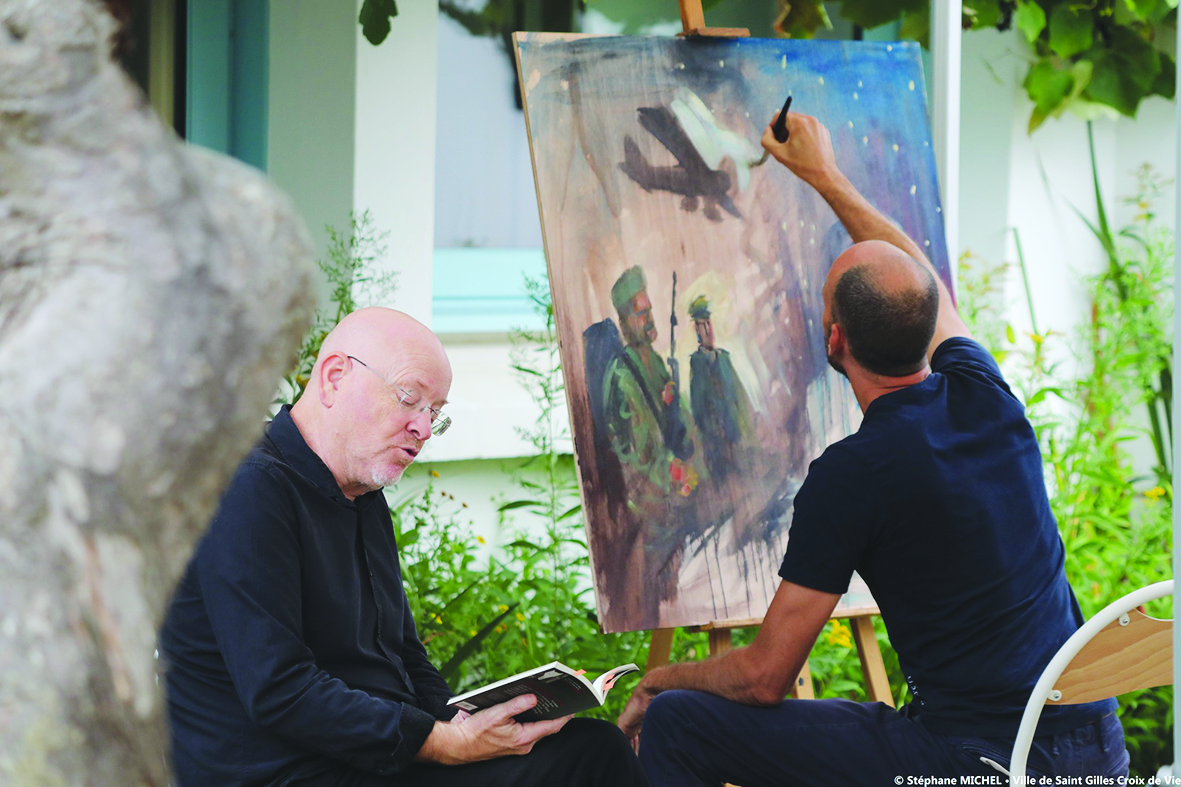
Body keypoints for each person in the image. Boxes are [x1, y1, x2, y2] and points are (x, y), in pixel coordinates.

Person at [615, 114, 1129, 786]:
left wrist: (662, 677)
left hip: (977, 765)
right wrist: (824, 175)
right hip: (1098, 755)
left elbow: (765, 676)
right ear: (925, 328)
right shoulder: (988, 396)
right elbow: (922, 283)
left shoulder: (851, 473)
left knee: (677, 718)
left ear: (833, 341)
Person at [159, 308, 647, 787]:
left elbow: (403, 656)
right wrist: (446, 743)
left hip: (374, 757)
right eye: (409, 399)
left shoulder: (362, 493)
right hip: (287, 768)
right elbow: (281, 691)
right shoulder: (246, 490)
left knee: (591, 749)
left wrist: (476, 718)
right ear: (334, 379)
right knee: (589, 763)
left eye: (435, 413)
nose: (424, 428)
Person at [601, 266, 701, 625]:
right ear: (626, 321)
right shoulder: (624, 379)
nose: (649, 319)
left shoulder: (656, 362)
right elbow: (639, 458)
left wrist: (675, 409)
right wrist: (677, 473)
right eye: (640, 313)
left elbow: (679, 424)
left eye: (649, 310)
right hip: (647, 500)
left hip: (671, 482)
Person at [687, 294, 753, 481]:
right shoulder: (696, 365)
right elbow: (698, 410)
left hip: (733, 435)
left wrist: (745, 426)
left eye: (709, 323)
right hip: (714, 445)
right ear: (696, 330)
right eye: (702, 325)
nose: (708, 330)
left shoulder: (724, 359)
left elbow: (738, 395)